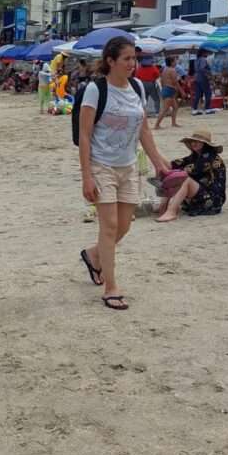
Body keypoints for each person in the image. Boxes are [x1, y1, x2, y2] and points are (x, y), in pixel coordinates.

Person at [77, 36, 170, 311]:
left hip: (129, 165)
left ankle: (93, 255)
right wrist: (86, 176)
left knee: (125, 224)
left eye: (135, 59)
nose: (133, 64)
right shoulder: (96, 89)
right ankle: (111, 287)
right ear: (111, 61)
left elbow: (143, 129)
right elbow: (84, 135)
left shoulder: (138, 87)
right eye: (127, 59)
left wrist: (158, 162)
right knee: (109, 227)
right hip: (101, 165)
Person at [155, 129, 227, 222]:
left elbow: (183, 173)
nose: (193, 143)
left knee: (183, 179)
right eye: (192, 141)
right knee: (169, 174)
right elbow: (171, 166)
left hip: (212, 200)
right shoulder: (195, 156)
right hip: (200, 196)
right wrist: (154, 153)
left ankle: (171, 212)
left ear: (205, 144)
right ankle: (163, 207)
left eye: (197, 141)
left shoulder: (210, 157)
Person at [154, 56, 182, 129]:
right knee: (165, 109)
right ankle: (157, 125)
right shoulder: (172, 70)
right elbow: (175, 82)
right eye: (175, 61)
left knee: (175, 107)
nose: (176, 62)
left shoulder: (165, 70)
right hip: (169, 89)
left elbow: (162, 81)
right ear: (172, 62)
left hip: (167, 89)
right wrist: (181, 91)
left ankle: (173, 123)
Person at [191, 51, 215, 116]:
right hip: (203, 78)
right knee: (208, 93)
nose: (207, 53)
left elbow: (196, 69)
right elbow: (202, 68)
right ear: (203, 53)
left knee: (197, 94)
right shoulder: (203, 59)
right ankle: (207, 109)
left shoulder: (196, 60)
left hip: (197, 78)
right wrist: (209, 73)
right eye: (206, 52)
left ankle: (194, 110)